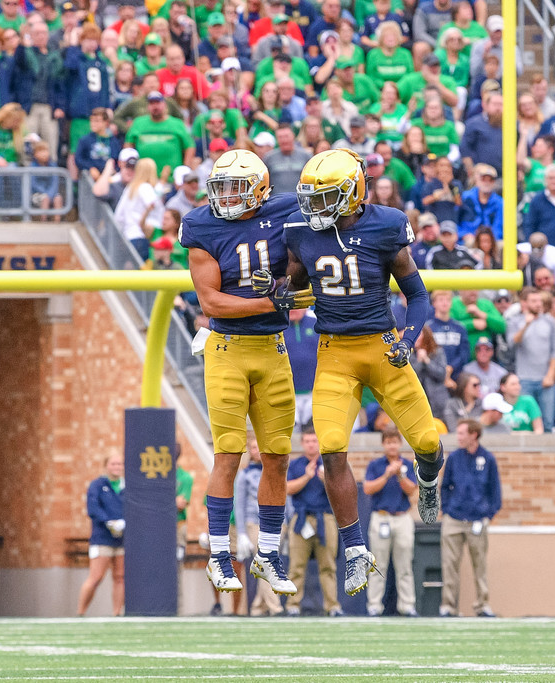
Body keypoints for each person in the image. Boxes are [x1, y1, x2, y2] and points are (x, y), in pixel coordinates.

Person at [275, 149, 444, 597]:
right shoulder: (301, 230)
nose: (314, 206)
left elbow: (417, 295)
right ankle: (355, 550)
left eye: (325, 196)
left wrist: (408, 340)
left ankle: (428, 478)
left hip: (383, 346)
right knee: (331, 448)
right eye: (311, 197)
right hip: (334, 351)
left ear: (352, 193)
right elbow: (296, 281)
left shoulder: (386, 225)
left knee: (428, 443)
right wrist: (280, 290)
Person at [181, 150, 311, 599]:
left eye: (235, 188)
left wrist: (294, 285)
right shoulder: (201, 225)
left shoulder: (287, 210)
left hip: (272, 349)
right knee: (229, 454)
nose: (226, 197)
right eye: (220, 188)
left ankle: (268, 554)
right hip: (227, 349)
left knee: (277, 456)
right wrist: (271, 302)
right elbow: (212, 303)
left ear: (260, 190)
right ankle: (219, 553)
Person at [439, 419, 501, 618]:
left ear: (474, 435)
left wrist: (488, 514)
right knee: (449, 565)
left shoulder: (488, 459)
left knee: (480, 565)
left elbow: (495, 491)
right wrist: (446, 509)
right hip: (454, 519)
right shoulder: (453, 458)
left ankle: (482, 605)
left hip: (477, 520)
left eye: (462, 433)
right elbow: (445, 486)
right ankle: (448, 606)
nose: (458, 437)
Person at [362, 428, 418, 618]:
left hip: (402, 517)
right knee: (378, 565)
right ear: (383, 444)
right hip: (381, 517)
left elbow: (411, 490)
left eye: (395, 442)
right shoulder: (375, 465)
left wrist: (400, 475)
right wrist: (387, 475)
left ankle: (407, 605)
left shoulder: (408, 464)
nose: (392, 446)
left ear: (400, 444)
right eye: (388, 442)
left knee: (404, 566)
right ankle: (374, 606)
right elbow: (368, 489)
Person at [285, 428, 340, 616]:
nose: (311, 444)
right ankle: (293, 605)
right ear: (302, 443)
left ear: (319, 443)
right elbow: (287, 489)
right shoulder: (296, 464)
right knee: (296, 566)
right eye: (307, 441)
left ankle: (332, 606)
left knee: (328, 566)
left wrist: (326, 481)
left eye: (314, 441)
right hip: (301, 518)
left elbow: (339, 492)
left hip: (325, 517)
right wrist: (307, 476)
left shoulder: (329, 463)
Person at [233, 434, 283, 616]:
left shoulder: (274, 471)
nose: (257, 451)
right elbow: (239, 505)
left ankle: (257, 607)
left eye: (259, 447)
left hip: (273, 523)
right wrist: (241, 532)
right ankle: (275, 607)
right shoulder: (245, 474)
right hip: (254, 523)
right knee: (266, 562)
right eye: (253, 447)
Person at [76, 454, 125, 616]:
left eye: (120, 464)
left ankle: (117, 613)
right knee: (96, 577)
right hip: (102, 538)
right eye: (113, 464)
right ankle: (81, 612)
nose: (117, 467)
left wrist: (124, 523)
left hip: (122, 539)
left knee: (120, 577)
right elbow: (93, 508)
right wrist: (108, 522)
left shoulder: (126, 487)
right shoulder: (97, 485)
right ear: (106, 466)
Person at [507, 286, 555, 431]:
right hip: (524, 380)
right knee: (525, 422)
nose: (538, 304)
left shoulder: (550, 322)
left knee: (548, 422)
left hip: (545, 380)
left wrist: (550, 375)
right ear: (524, 303)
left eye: (539, 301)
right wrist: (526, 325)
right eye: (534, 301)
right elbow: (512, 343)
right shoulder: (514, 321)